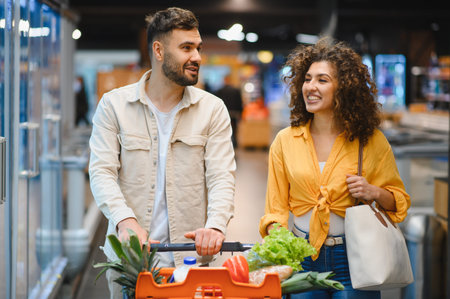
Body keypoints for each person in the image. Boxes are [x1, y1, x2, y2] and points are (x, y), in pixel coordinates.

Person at [88, 7, 235, 298]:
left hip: (190, 260)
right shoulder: (114, 106)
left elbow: (221, 176)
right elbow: (102, 171)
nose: (197, 57)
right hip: (131, 262)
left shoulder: (212, 109)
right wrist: (125, 221)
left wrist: (216, 226)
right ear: (158, 50)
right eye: (186, 48)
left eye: (198, 48)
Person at [259, 37, 410, 299]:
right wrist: (280, 242)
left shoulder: (370, 140)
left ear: (344, 89)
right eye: (307, 79)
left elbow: (397, 202)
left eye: (322, 80)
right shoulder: (286, 141)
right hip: (303, 257)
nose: (311, 87)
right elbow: (275, 209)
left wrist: (373, 191)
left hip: (355, 257)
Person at [215, 74, 243, 147]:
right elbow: (239, 102)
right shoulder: (236, 90)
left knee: (224, 128)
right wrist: (240, 112)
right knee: (234, 128)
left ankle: (225, 143)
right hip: (234, 113)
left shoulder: (220, 91)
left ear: (224, 80)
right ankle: (235, 143)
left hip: (224, 113)